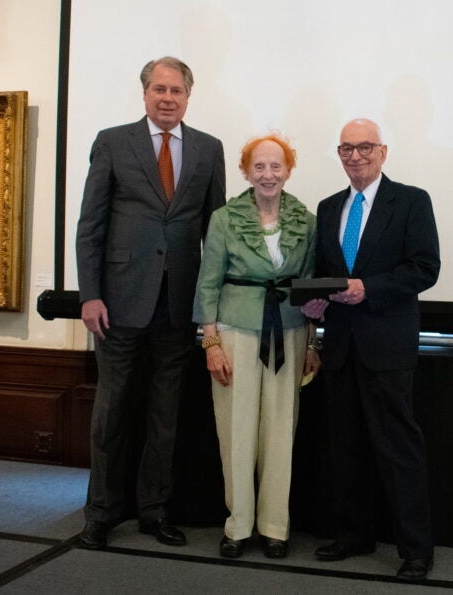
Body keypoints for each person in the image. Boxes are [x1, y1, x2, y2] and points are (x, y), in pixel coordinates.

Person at [75, 56, 226, 550]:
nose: (168, 98)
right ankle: (100, 512)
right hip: (117, 303)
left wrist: (211, 308)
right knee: (111, 412)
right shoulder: (113, 142)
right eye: (159, 89)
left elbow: (215, 235)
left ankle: (153, 511)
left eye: (177, 91)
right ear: (144, 94)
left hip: (178, 306)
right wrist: (90, 294)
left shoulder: (209, 149)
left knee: (166, 416)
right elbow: (90, 225)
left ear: (188, 96)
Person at [301, 118, 440, 581]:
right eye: (346, 149)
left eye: (364, 147)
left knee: (399, 451)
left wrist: (370, 288)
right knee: (346, 448)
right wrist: (315, 300)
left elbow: (425, 268)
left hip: (388, 346)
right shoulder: (327, 208)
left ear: (383, 152)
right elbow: (325, 270)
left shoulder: (412, 201)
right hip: (340, 346)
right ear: (338, 154)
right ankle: (353, 536)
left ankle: (416, 550)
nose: (355, 156)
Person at [193, 134, 320, 559]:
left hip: (290, 331)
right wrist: (211, 341)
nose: (268, 174)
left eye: (276, 166)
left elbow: (311, 288)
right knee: (236, 430)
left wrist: (312, 342)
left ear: (288, 171)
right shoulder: (224, 219)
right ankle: (238, 526)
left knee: (281, 431)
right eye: (259, 167)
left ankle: (274, 527)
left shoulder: (307, 219)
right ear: (246, 172)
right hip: (235, 332)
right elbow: (207, 282)